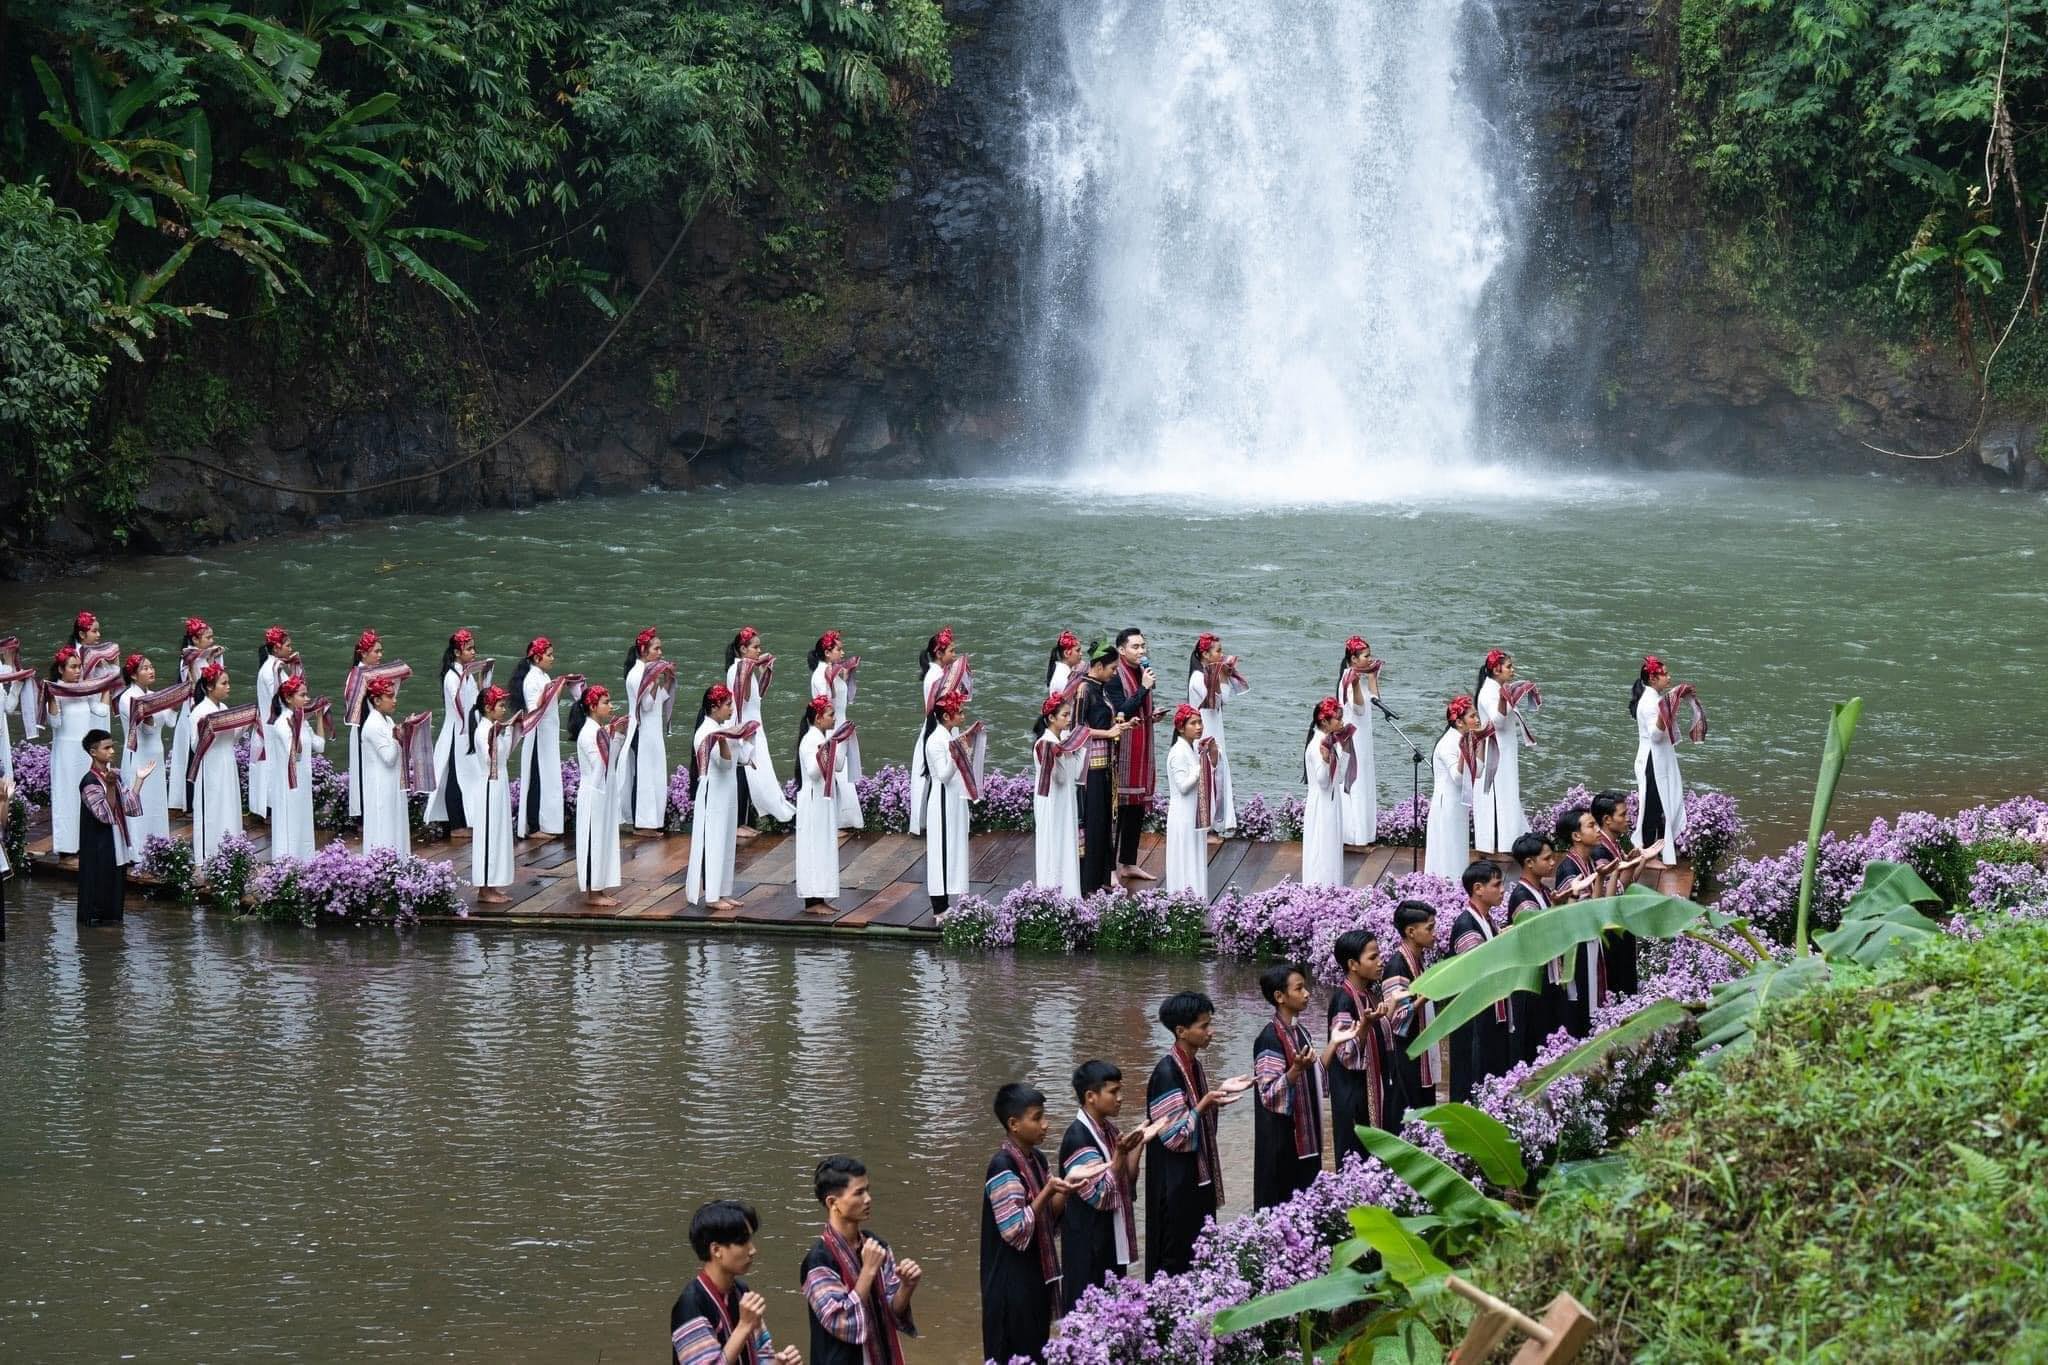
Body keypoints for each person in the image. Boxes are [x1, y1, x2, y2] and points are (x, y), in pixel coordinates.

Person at [1144, 990, 1246, 1277]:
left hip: (1195, 1175)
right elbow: (1173, 1135)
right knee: (1175, 1251)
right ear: (1181, 1031)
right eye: (1203, 1026)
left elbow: (1197, 1115)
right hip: (1175, 1180)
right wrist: (1203, 1105)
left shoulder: (1193, 1064)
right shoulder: (1166, 1072)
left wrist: (1220, 1092)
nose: (1210, 1032)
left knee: (1200, 1245)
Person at [1253, 962, 1356, 1208]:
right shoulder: (1269, 1039)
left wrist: (1334, 1043)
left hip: (1306, 1140)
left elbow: (1314, 1077)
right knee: (1282, 1205)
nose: (1307, 993)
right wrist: (1295, 1070)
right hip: (1282, 1143)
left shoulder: (1300, 1032)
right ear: (1280, 996)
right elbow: (1268, 1094)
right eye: (1299, 988)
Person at [801, 1155, 921, 1365]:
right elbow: (842, 1323)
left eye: (867, 1190)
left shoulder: (876, 1244)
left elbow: (892, 1312)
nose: (868, 1199)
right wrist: (868, 1271)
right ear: (832, 1203)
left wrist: (906, 1286)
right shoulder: (818, 1261)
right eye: (858, 1193)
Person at [981, 1082, 1069, 1363]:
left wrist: (1068, 1189)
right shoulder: (1003, 1165)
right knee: (1013, 1352)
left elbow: (1049, 1217)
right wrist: (1047, 1192)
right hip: (1010, 1283)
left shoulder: (1037, 1158)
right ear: (1013, 1124)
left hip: (1035, 1276)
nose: (1046, 1124)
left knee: (1036, 1347)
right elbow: (1015, 1230)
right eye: (1037, 1118)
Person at [670, 1200, 800, 1365]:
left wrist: (778, 1362)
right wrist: (744, 1326)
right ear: (716, 1250)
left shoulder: (741, 1291)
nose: (752, 1250)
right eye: (742, 1242)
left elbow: (763, 1354)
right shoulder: (691, 1305)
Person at [1059, 1060, 1143, 1309]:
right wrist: (1119, 1155)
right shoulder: (1078, 1138)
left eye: (1120, 1091)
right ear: (1091, 1096)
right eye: (1113, 1092)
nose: (1120, 1098)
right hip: (1089, 1247)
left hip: (1109, 1241)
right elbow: (1102, 1197)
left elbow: (1127, 1183)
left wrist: (1138, 1146)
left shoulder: (1108, 1129)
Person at [1449, 860, 1518, 1102]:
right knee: (1474, 1078)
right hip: (1476, 1020)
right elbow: (1478, 969)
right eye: (1497, 885)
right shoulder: (1466, 924)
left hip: (1491, 1013)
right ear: (1478, 888)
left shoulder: (1487, 921)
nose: (1502, 890)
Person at [1328, 929, 1397, 1161]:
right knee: (1355, 1157)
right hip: (1354, 1098)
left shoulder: (1367, 994)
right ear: (1353, 964)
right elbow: (1345, 1054)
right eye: (1373, 957)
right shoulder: (1343, 1000)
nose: (1380, 962)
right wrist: (1366, 1024)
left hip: (1372, 1091)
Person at [41, 646, 115, 859]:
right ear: (61, 669)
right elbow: (54, 722)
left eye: (79, 666)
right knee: (67, 796)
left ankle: (88, 841)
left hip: (84, 753)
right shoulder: (56, 690)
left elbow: (100, 711)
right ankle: (67, 846)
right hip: (65, 753)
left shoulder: (84, 689)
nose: (78, 671)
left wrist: (105, 688)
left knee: (88, 794)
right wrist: (52, 698)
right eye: (73, 667)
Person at [1633, 654, 1702, 875]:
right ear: (1653, 678)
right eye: (1665, 674)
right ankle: (1647, 852)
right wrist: (1668, 707)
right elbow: (1655, 735)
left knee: (1662, 803)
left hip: (1660, 756)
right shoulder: (1650, 702)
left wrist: (1672, 701)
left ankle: (1659, 847)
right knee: (1652, 805)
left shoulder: (1653, 699)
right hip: (1652, 758)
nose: (1669, 678)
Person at [687, 684, 755, 912]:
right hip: (714, 792)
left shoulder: (722, 727)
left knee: (727, 842)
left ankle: (724, 890)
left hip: (728, 792)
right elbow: (725, 764)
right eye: (727, 705)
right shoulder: (706, 732)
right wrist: (725, 739)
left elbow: (743, 760)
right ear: (714, 706)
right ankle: (712, 895)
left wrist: (746, 736)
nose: (731, 709)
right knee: (715, 842)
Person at [1074, 645, 1134, 896]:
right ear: (1098, 667)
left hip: (1107, 764)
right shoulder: (1084, 689)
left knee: (1105, 824)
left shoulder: (1100, 688)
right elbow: (1076, 730)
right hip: (1092, 767)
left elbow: (1104, 721)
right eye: (1111, 669)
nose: (1113, 674)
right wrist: (1107, 733)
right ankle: (1088, 884)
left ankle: (1101, 880)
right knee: (1094, 824)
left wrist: (1121, 724)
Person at [723, 627, 794, 835]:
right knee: (744, 772)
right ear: (743, 649)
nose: (758, 650)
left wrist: (763, 671)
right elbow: (742, 698)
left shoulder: (747, 668)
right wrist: (750, 667)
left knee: (756, 772)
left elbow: (757, 698)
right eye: (755, 647)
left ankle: (747, 820)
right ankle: (737, 824)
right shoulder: (737, 669)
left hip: (754, 723)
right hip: (743, 727)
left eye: (759, 647)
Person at [1506, 831, 1568, 1062]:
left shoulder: (1541, 891)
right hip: (1534, 985)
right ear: (1529, 863)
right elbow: (1537, 938)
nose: (1553, 863)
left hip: (1547, 979)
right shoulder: (1523, 897)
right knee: (1533, 1042)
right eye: (1547, 858)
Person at [1106, 628, 1161, 883]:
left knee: (1137, 808)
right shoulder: (1115, 675)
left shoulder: (1142, 672)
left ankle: (1129, 862)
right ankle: (1110, 868)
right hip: (1122, 750)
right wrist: (1143, 689)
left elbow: (1138, 709)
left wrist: (1153, 715)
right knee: (1118, 810)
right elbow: (1121, 712)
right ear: (1121, 650)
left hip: (1142, 746)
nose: (1141, 651)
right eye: (1136, 647)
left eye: (1143, 646)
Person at [77, 729, 148, 923]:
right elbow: (104, 815)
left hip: (116, 840)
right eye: (106, 748)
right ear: (93, 752)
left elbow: (128, 806)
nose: (111, 751)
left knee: (116, 885)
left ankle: (113, 928)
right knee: (100, 885)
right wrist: (109, 787)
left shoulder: (113, 775)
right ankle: (97, 934)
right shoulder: (89, 782)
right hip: (99, 844)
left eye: (112, 747)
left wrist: (139, 780)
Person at [920, 690, 980, 917]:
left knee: (953, 845)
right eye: (960, 712)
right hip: (942, 799)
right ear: (946, 716)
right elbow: (944, 776)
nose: (963, 716)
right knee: (941, 850)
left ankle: (947, 901)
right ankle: (939, 907)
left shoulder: (948, 736)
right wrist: (959, 753)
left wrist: (963, 748)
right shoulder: (936, 740)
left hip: (954, 798)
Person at [187, 663, 253, 863]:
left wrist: (246, 724)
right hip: (210, 764)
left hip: (227, 761)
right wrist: (207, 729)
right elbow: (194, 746)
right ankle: (209, 854)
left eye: (228, 683)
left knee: (229, 804)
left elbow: (230, 738)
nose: (228, 687)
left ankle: (230, 849)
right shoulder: (199, 711)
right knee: (213, 806)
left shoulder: (223, 708)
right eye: (224, 683)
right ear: (209, 687)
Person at [908, 627, 970, 837]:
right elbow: (940, 704)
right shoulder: (935, 675)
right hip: (939, 725)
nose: (954, 655)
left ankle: (947, 817)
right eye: (951, 651)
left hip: (946, 724)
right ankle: (931, 819)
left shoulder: (940, 673)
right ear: (939, 653)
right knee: (938, 773)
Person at [1380, 900, 1440, 1116]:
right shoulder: (1398, 966)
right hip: (1404, 1058)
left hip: (1417, 1053)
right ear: (1411, 932)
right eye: (1430, 928)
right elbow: (1396, 1019)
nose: (1435, 933)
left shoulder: (1416, 959)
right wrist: (1425, 996)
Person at [1472, 650, 1533, 854]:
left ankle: (1509, 836)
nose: (1513, 670)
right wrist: (1507, 698)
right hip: (1496, 749)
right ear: (1497, 670)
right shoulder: (1489, 692)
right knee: (1502, 791)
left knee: (1508, 789)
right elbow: (1497, 721)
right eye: (1509, 667)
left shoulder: (1496, 687)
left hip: (1506, 746)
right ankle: (1503, 840)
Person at [1186, 634, 1247, 836]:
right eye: (1218, 651)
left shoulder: (1208, 675)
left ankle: (1214, 825)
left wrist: (1223, 675)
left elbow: (1225, 698)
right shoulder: (1198, 678)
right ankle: (1207, 827)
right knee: (1209, 773)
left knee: (1217, 772)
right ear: (1205, 654)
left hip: (1213, 728)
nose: (1222, 654)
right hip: (1204, 731)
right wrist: (1222, 676)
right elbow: (1215, 701)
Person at [795, 693, 851, 910]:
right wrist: (827, 747)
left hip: (823, 799)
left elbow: (836, 766)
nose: (834, 719)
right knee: (813, 846)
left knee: (824, 845)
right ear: (818, 718)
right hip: (813, 799)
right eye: (830, 715)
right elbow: (813, 771)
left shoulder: (820, 738)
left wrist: (842, 741)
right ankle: (812, 900)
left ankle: (821, 896)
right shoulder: (811, 740)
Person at [425, 630, 484, 833]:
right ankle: (457, 824)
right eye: (469, 649)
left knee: (466, 775)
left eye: (473, 648)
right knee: (453, 776)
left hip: (468, 730)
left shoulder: (465, 674)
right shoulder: (453, 676)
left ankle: (465, 820)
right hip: (457, 732)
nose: (473, 652)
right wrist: (467, 730)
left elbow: (475, 701)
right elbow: (458, 704)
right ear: (458, 652)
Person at [117, 652, 178, 847]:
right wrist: (148, 711)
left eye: (151, 667)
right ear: (133, 675)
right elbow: (147, 729)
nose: (151, 671)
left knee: (156, 802)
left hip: (156, 755)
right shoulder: (127, 699)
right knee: (139, 799)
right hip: (138, 755)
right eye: (145, 668)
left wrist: (175, 704)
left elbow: (168, 721)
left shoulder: (154, 696)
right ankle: (137, 849)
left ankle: (158, 844)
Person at [571, 684, 624, 907]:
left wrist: (619, 734)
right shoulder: (590, 732)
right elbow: (598, 766)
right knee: (593, 841)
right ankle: (594, 893)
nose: (610, 706)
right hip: (594, 793)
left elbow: (610, 762)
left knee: (603, 840)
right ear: (593, 706)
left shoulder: (598, 730)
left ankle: (600, 889)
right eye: (605, 702)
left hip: (603, 790)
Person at [1424, 696, 1488, 881]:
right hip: (1447, 805)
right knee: (1448, 849)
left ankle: (1457, 885)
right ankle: (1445, 886)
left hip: (1460, 804)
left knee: (1459, 847)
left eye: (1477, 716)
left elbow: (1478, 771)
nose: (1477, 720)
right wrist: (1465, 749)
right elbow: (1459, 777)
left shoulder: (1465, 738)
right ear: (1459, 722)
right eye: (1472, 716)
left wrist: (1481, 741)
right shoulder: (1448, 743)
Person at [512, 636, 570, 840]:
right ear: (537, 657)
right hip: (537, 734)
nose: (552, 658)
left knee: (547, 777)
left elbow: (552, 702)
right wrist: (550, 689)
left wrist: (559, 688)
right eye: (549, 655)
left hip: (548, 734)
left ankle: (546, 821)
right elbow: (534, 709)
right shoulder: (532, 679)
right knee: (536, 778)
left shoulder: (544, 677)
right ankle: (534, 825)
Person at [1031, 695, 1087, 898]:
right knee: (1054, 843)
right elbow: (1060, 778)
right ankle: (1051, 893)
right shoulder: (1044, 744)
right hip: (1052, 802)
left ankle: (1070, 893)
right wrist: (1064, 752)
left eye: (1069, 714)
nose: (1068, 719)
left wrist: (1078, 747)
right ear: (1052, 718)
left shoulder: (1062, 741)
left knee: (1067, 842)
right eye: (1064, 715)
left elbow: (1074, 774)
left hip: (1066, 800)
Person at [267, 675, 327, 863]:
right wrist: (298, 725)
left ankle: (305, 860)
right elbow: (296, 753)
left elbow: (320, 746)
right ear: (289, 698)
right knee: (290, 821)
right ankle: (288, 862)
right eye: (302, 695)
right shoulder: (282, 723)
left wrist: (318, 718)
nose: (307, 699)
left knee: (303, 820)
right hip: (288, 783)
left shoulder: (301, 721)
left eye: (307, 695)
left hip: (303, 780)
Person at [626, 627, 679, 834]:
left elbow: (658, 701)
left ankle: (653, 821)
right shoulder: (637, 674)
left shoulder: (647, 672)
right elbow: (646, 705)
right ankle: (642, 824)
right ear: (643, 650)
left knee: (654, 775)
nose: (660, 653)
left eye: (660, 649)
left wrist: (666, 680)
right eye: (656, 649)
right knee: (644, 777)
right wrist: (655, 680)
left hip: (653, 731)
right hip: (642, 730)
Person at [1592, 788, 1644, 993]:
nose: (1628, 819)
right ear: (1607, 819)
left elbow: (1630, 881)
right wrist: (1631, 865)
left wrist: (1641, 859)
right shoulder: (1600, 850)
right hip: (1612, 930)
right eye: (1623, 815)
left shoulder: (1613, 844)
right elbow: (1614, 892)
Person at [808, 631, 864, 823]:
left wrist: (846, 676)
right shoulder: (821, 675)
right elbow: (824, 705)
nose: (842, 653)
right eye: (838, 649)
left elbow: (845, 699)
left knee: (842, 770)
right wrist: (832, 681)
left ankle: (843, 818)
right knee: (833, 770)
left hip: (840, 723)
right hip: (831, 727)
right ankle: (835, 820)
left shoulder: (833, 672)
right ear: (826, 652)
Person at [470, 685, 517, 905]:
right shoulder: (483, 730)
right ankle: (484, 888)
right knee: (489, 834)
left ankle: (493, 885)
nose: (504, 709)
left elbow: (504, 756)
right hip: (488, 785)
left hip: (500, 783)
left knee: (498, 832)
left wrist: (507, 731)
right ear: (488, 708)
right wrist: (495, 735)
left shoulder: (494, 727)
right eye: (500, 705)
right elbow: (490, 761)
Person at [1164, 703, 1215, 898]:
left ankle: (1195, 900)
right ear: (1180, 727)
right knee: (1185, 858)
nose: (1199, 727)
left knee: (1193, 856)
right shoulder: (1178, 752)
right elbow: (1183, 786)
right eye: (1193, 723)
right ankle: (1184, 900)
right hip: (1183, 815)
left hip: (1192, 813)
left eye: (1200, 722)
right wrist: (1199, 768)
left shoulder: (1191, 749)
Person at [1301, 696, 1353, 888]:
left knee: (1331, 846)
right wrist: (1325, 760)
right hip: (1321, 803)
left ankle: (1333, 886)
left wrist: (1345, 750)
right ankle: (1320, 888)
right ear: (1324, 721)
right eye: (1338, 718)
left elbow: (1339, 778)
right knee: (1321, 848)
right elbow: (1323, 782)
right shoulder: (1317, 746)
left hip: (1332, 801)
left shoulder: (1331, 742)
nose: (1342, 722)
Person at [169, 617, 218, 813]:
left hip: (207, 707)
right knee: (192, 754)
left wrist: (213, 658)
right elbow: (195, 685)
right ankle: (189, 800)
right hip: (193, 710)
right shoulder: (188, 660)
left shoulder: (205, 657)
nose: (212, 641)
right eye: (208, 637)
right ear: (195, 640)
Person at [358, 678, 411, 856]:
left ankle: (399, 862)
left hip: (392, 782)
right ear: (377, 700)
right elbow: (388, 757)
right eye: (390, 696)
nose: (394, 700)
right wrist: (398, 738)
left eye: (394, 696)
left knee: (395, 822)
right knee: (384, 825)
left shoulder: (387, 721)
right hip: (380, 784)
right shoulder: (373, 725)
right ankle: (383, 864)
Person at [1337, 636, 1382, 845]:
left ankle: (1366, 833)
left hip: (1364, 739)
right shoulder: (1348, 680)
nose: (1369, 659)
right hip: (1352, 740)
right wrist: (1356, 685)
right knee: (1355, 783)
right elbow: (1359, 708)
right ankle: (1354, 835)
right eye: (1365, 656)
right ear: (1353, 659)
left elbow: (1374, 701)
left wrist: (1372, 677)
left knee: (1365, 780)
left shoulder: (1360, 678)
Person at [250, 625, 296, 820]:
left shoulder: (276, 668)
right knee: (274, 764)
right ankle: (272, 806)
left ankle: (273, 804)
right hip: (274, 725)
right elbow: (280, 697)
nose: (290, 649)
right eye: (287, 645)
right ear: (276, 648)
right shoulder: (271, 671)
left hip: (276, 721)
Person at [341, 630, 382, 823]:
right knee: (363, 770)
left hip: (372, 728)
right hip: (361, 729)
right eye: (376, 651)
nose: (380, 655)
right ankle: (363, 817)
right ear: (363, 654)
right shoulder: (356, 676)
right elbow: (353, 705)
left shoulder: (371, 673)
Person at [1044, 630, 1083, 703]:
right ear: (1066, 653)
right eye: (1077, 651)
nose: (1081, 654)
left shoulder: (1062, 671)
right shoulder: (1063, 678)